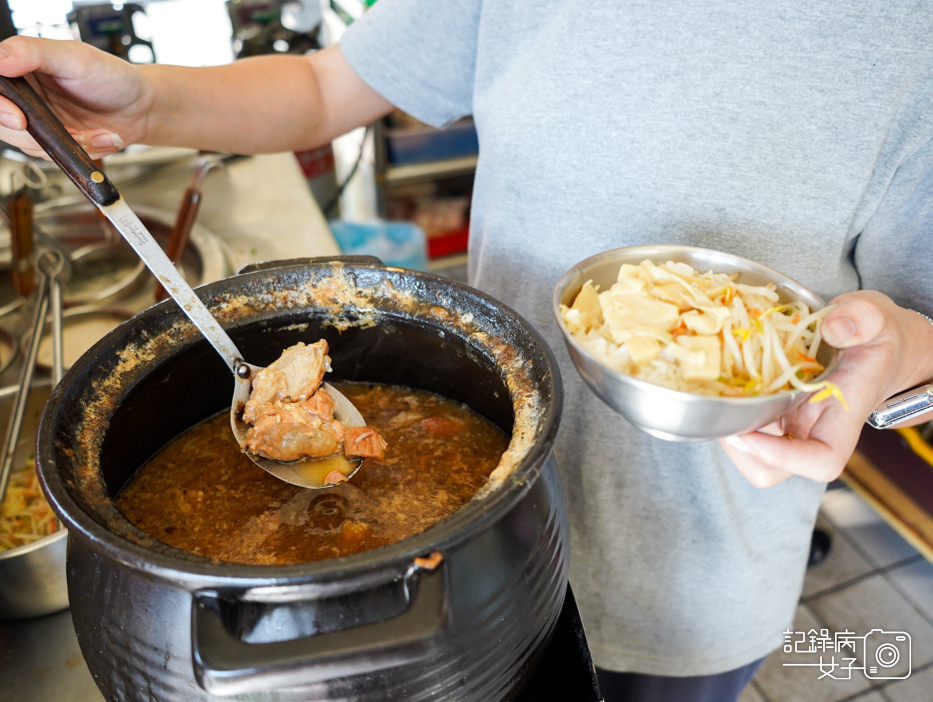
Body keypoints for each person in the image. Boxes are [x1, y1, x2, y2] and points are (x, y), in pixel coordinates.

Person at [2, 3, 932, 700]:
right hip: (463, 551)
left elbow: (920, 325)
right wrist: (145, 97)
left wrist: (890, 357)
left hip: (684, 577)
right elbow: (327, 87)